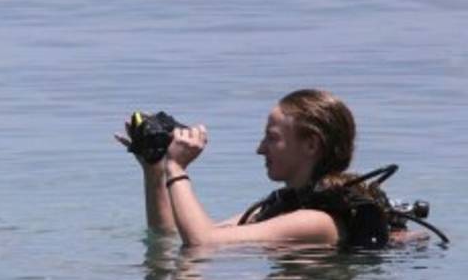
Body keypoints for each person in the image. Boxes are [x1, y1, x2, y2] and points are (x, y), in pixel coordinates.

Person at [119, 89, 422, 248]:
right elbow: (171, 236)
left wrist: (177, 167)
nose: (260, 149)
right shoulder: (285, 205)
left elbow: (202, 243)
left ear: (311, 145)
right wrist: (155, 171)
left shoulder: (317, 221)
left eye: (272, 138)